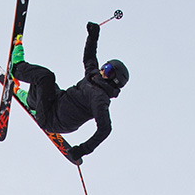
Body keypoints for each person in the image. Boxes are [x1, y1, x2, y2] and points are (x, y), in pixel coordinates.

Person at [13, 22, 129, 163]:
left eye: (109, 71)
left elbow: (105, 128)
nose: (103, 70)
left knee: (45, 77)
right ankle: (31, 103)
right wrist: (93, 37)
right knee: (42, 82)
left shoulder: (100, 99)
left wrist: (82, 149)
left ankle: (16, 68)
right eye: (106, 66)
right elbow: (89, 58)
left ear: (114, 81)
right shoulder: (93, 76)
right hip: (56, 101)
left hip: (53, 119)